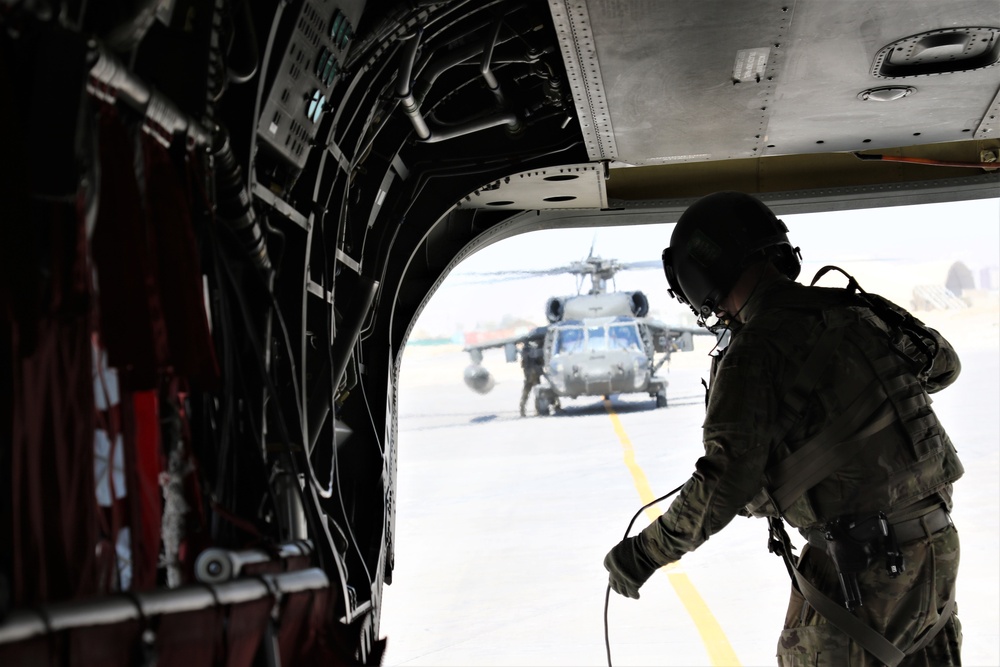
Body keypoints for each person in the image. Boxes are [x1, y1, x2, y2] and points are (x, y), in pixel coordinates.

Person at [604, 191, 964, 666]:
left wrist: (643, 554)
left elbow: (724, 483)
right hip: (934, 551)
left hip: (860, 567)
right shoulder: (859, 309)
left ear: (699, 275)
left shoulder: (753, 352)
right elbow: (942, 366)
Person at [519, 341, 545, 417]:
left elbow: (523, 364)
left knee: (526, 394)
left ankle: (522, 410)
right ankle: (537, 409)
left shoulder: (525, 352)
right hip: (534, 375)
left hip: (528, 375)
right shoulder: (535, 352)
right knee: (537, 394)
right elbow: (540, 362)